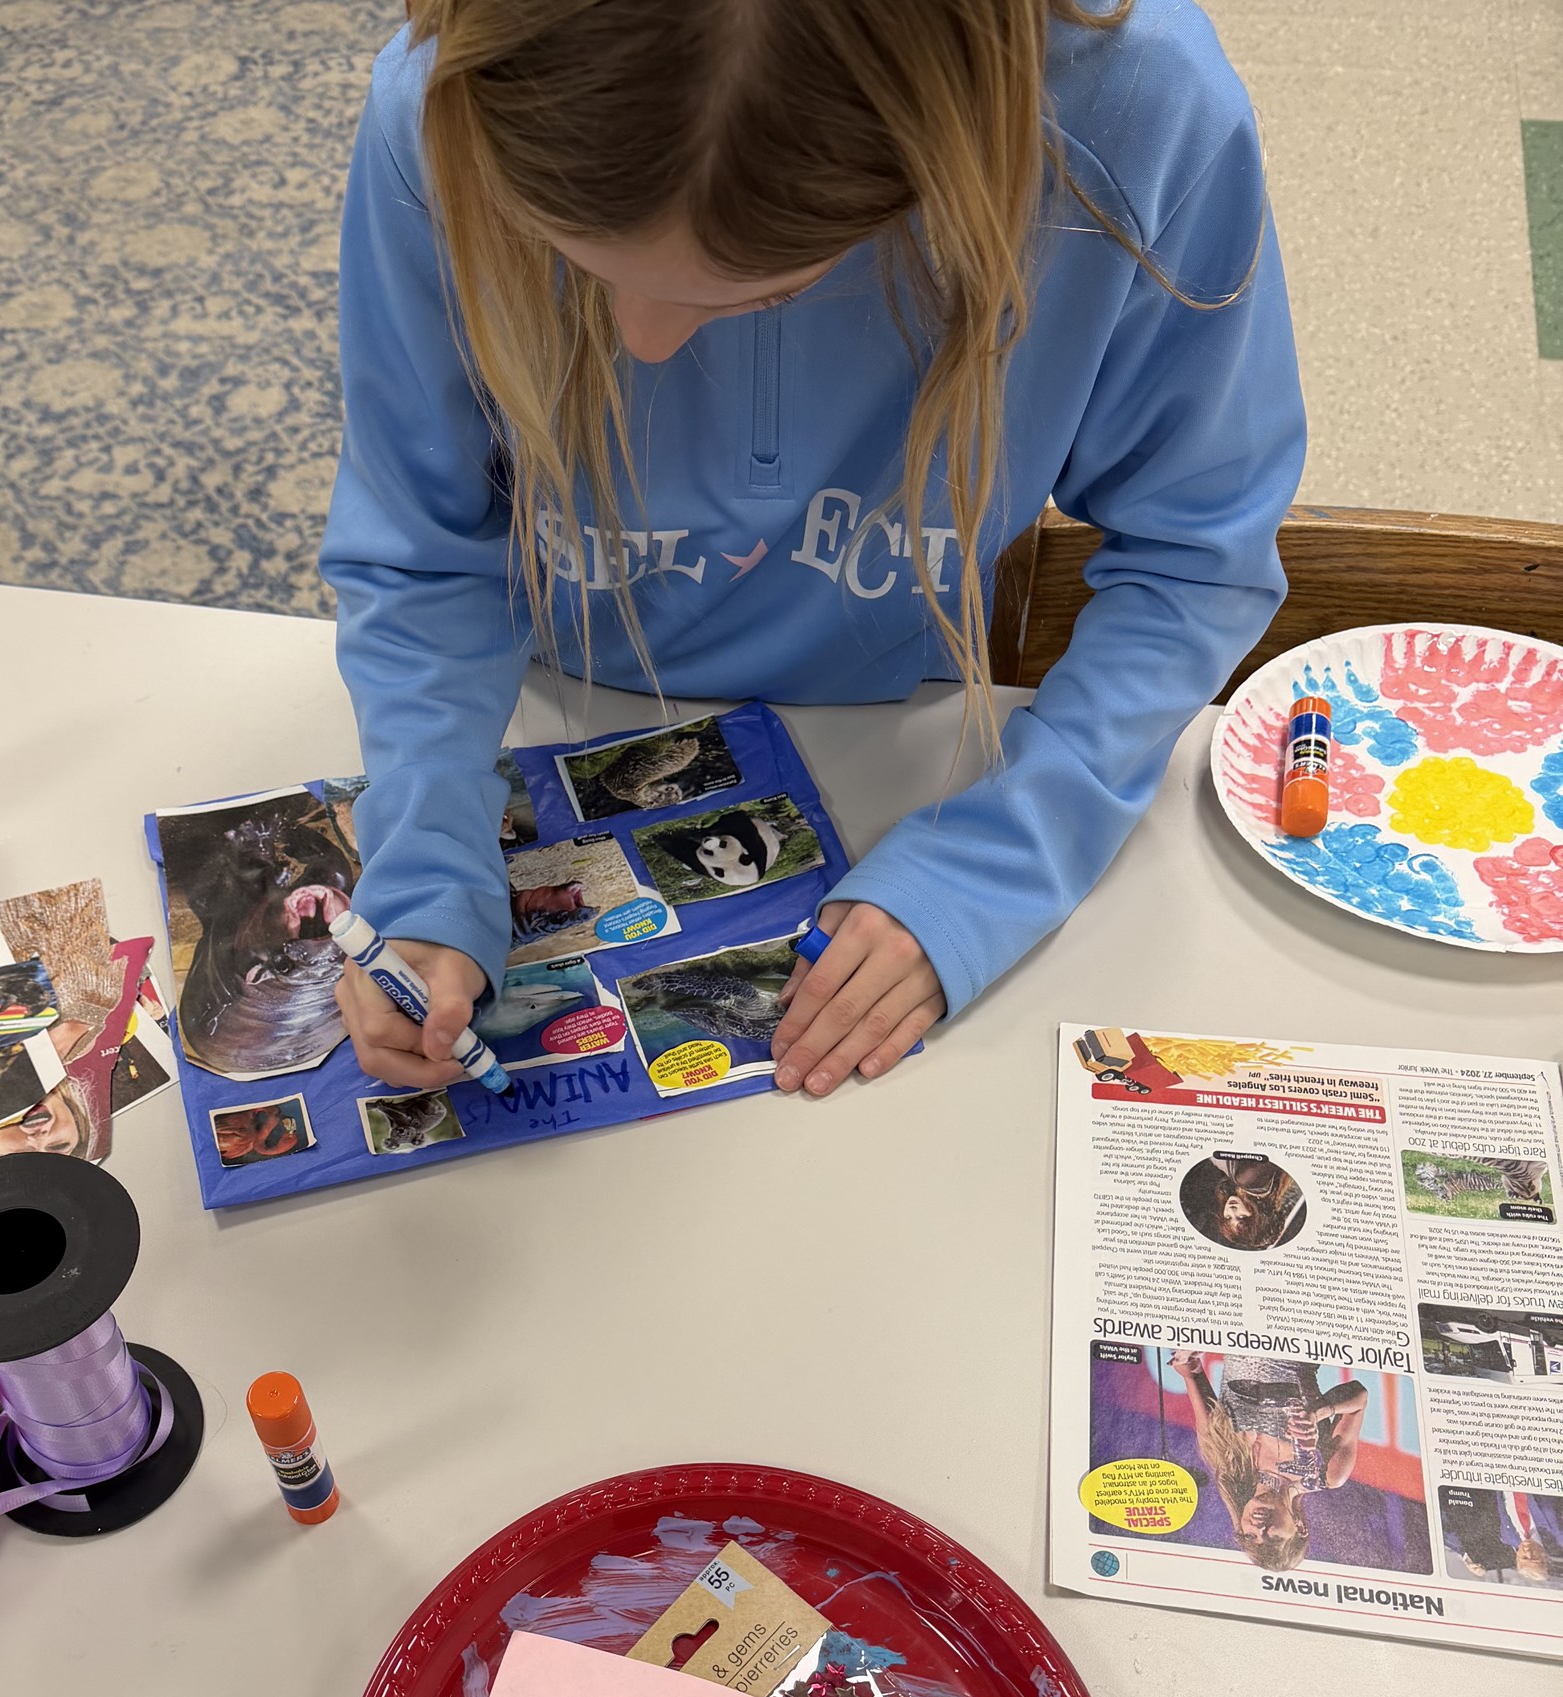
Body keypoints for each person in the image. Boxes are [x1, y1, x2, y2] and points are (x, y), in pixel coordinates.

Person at [321, 0, 1304, 1097]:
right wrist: (423, 847)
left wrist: (1002, 858)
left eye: (762, 288)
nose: (641, 338)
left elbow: (1191, 555)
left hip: (905, 731)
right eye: (572, 258)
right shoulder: (437, 102)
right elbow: (421, 544)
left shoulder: (1140, 115)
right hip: (537, 703)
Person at [1171, 1352, 1367, 1571]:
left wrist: (1187, 1365)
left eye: (1250, 1535)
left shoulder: (1227, 1463)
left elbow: (1194, 1375)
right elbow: (1359, 1395)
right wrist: (1317, 1413)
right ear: (1300, 1527)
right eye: (1273, 1538)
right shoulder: (1327, 1473)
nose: (1260, 1528)